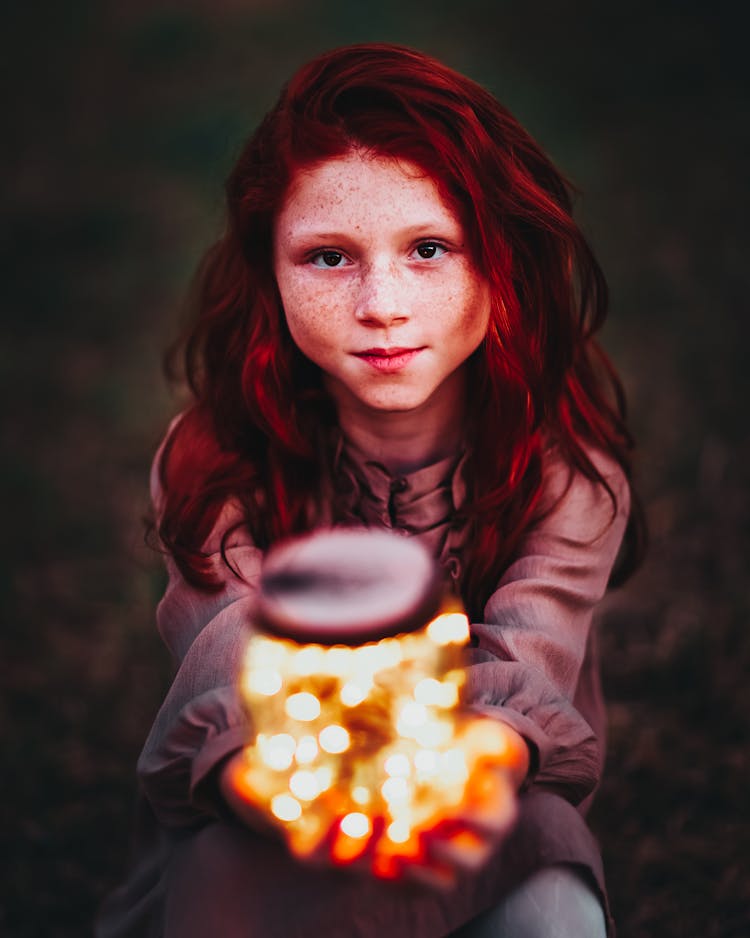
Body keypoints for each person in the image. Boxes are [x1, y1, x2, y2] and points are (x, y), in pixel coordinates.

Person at [97, 42, 643, 938]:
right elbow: (225, 675)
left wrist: (441, 782)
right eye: (329, 258)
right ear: (268, 270)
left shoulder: (565, 473)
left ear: (501, 262)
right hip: (274, 819)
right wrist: (298, 794)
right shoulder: (214, 460)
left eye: (428, 248)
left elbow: (526, 679)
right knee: (225, 861)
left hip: (470, 816)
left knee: (544, 850)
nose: (382, 302)